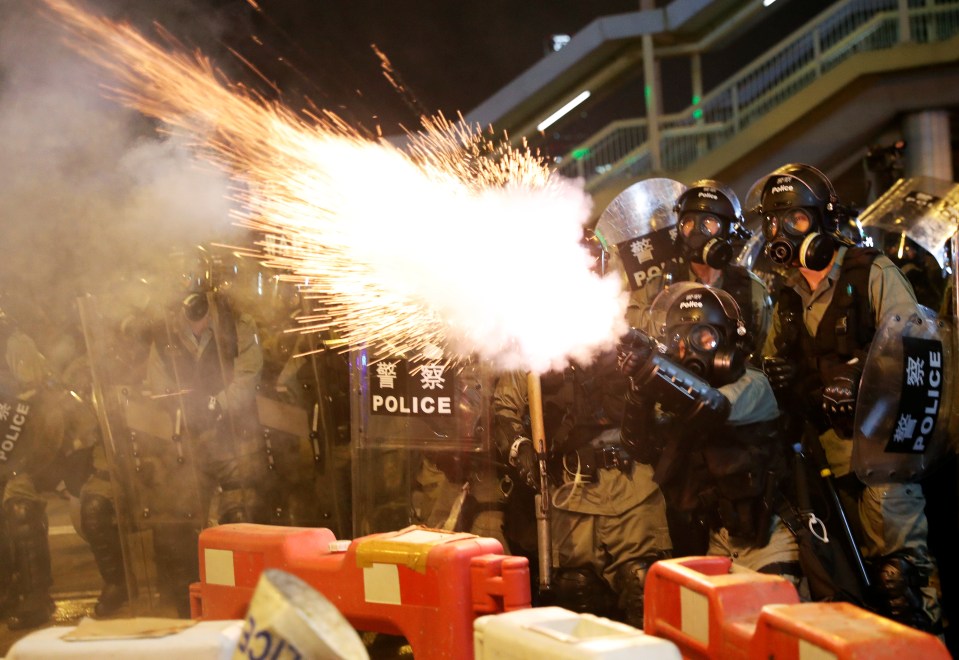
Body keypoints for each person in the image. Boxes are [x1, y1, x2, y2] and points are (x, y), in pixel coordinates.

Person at [756, 162, 942, 633]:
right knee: (847, 601)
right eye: (773, 223)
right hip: (824, 466)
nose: (782, 232)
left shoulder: (873, 271)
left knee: (902, 586)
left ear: (824, 220)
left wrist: (861, 378)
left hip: (884, 459)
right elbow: (773, 375)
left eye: (796, 220)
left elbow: (918, 352)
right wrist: (779, 379)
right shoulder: (788, 298)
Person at [618, 285, 801, 589]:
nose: (687, 351)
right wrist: (639, 389)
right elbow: (639, 445)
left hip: (769, 540)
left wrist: (653, 367)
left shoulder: (754, 384)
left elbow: (709, 406)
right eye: (677, 340)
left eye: (703, 338)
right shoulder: (679, 399)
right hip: (718, 541)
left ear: (729, 340)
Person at [492, 349, 672, 628]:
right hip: (568, 491)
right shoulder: (534, 343)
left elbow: (666, 410)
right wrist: (520, 446)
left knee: (645, 587)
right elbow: (504, 409)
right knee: (574, 592)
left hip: (632, 486)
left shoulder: (625, 341)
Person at [627, 179, 771, 362]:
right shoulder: (658, 286)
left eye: (708, 222)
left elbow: (765, 353)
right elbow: (629, 327)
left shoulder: (751, 288)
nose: (696, 231)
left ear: (729, 230)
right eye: (688, 222)